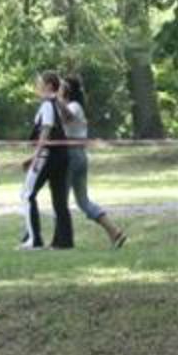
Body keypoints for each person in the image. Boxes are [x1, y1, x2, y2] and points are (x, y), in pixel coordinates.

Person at [60, 76, 126, 248]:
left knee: (61, 200)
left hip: (72, 156)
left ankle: (62, 240)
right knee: (83, 202)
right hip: (79, 155)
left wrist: (54, 99)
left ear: (67, 90)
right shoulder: (72, 105)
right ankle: (114, 232)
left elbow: (67, 115)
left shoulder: (74, 106)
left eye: (60, 87)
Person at [19, 71, 73, 250]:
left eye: (40, 83)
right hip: (61, 155)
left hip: (48, 156)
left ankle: (34, 240)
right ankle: (64, 241)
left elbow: (46, 131)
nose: (37, 86)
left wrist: (35, 158)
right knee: (59, 199)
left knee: (27, 194)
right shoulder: (56, 104)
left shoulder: (48, 105)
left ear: (49, 86)